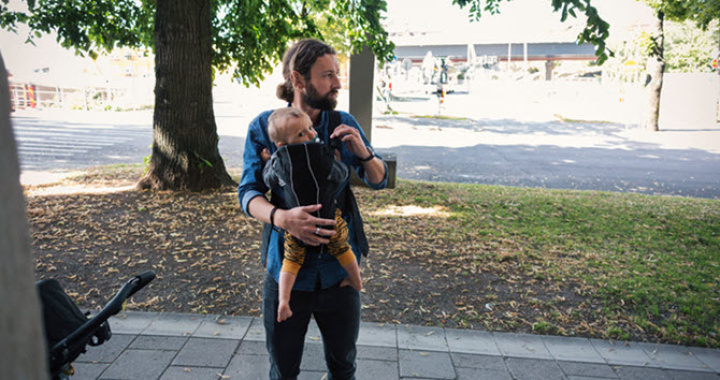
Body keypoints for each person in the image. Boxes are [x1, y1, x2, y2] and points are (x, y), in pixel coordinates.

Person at [237, 39, 388, 380]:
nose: (337, 83)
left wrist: (362, 152)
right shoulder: (265, 126)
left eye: (337, 74)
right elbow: (248, 193)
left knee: (343, 366)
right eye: (328, 75)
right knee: (283, 369)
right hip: (286, 273)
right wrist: (282, 218)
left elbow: (378, 180)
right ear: (298, 79)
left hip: (339, 276)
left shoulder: (341, 122)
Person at [262, 107, 362, 323]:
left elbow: (269, 179)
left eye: (309, 128)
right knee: (343, 248)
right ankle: (356, 281)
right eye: (301, 134)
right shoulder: (322, 154)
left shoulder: (280, 161)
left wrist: (267, 161)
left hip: (296, 224)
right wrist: (337, 161)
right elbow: (339, 176)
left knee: (291, 260)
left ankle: (284, 301)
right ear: (283, 143)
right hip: (328, 218)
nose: (309, 135)